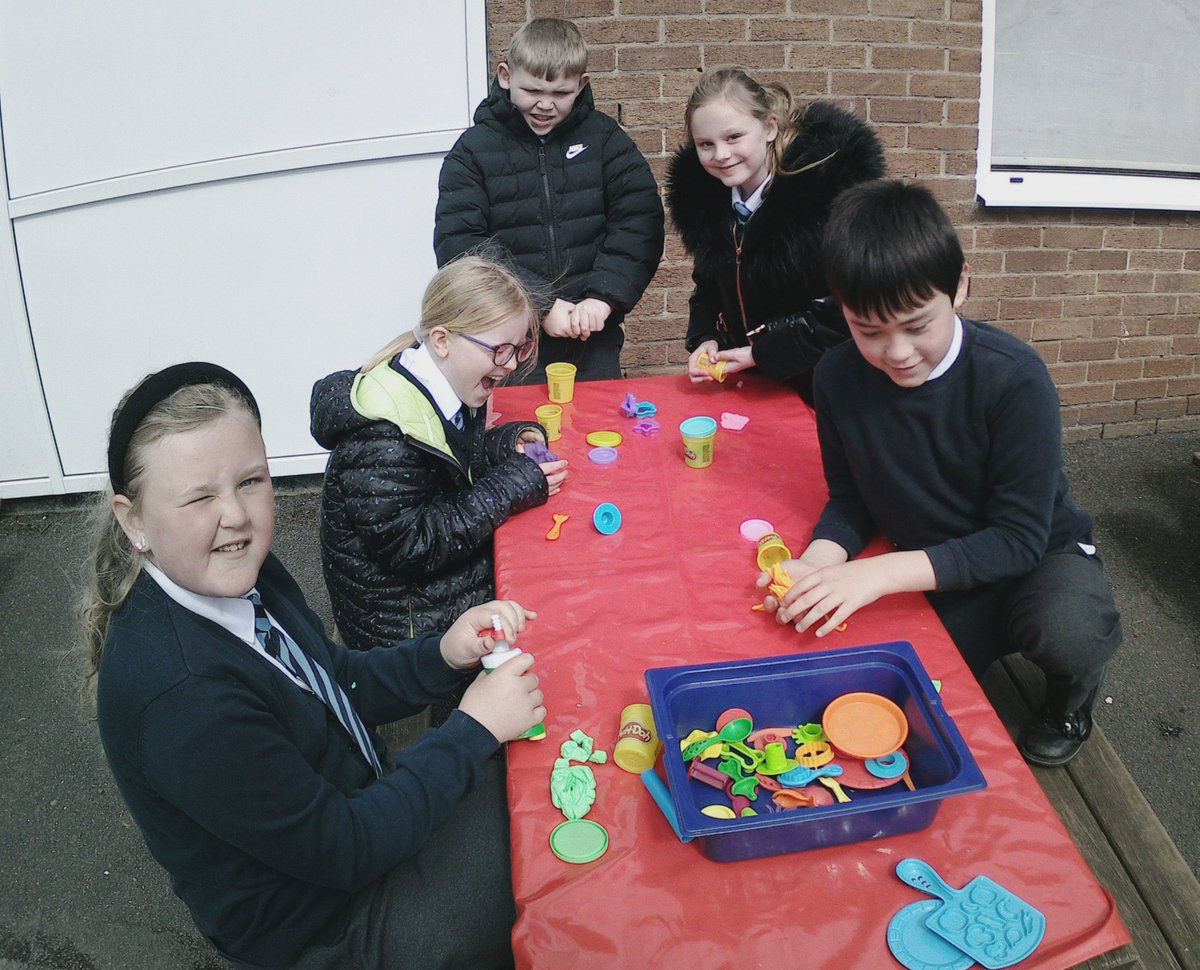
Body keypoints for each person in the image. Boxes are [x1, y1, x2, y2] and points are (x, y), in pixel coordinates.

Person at [81, 361, 545, 969]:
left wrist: (440, 654)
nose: (237, 517)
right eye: (199, 496)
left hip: (354, 813)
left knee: (527, 784)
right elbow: (346, 847)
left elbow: (333, 680)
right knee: (536, 860)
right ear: (133, 519)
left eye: (251, 481)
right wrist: (471, 729)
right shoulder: (182, 695)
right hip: (329, 926)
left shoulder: (238, 573)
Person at [760, 179, 1122, 767]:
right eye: (868, 331)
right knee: (893, 701)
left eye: (916, 324)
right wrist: (822, 560)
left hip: (1036, 557)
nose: (897, 352)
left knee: (1069, 630)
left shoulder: (1014, 378)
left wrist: (875, 575)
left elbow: (1018, 538)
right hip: (938, 566)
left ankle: (1069, 698)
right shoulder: (836, 378)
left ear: (960, 285)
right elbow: (851, 497)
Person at [311, 255, 568, 654]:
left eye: (520, 348)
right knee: (545, 603)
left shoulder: (447, 383)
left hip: (416, 591)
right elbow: (415, 546)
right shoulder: (383, 439)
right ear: (442, 340)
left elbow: (451, 458)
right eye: (500, 350)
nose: (512, 364)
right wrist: (510, 486)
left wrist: (508, 443)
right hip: (402, 624)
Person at [434, 17, 665, 383]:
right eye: (532, 91)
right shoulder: (473, 151)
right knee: (518, 434)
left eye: (560, 94)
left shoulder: (605, 140)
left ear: (581, 85)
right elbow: (462, 246)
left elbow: (638, 222)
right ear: (506, 77)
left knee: (598, 432)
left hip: (591, 336)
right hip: (506, 343)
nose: (545, 105)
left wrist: (603, 298)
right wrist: (538, 306)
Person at [665, 66, 886, 402]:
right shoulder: (710, 205)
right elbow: (710, 285)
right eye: (705, 144)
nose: (721, 154)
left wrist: (764, 352)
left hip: (833, 387)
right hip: (758, 386)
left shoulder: (826, 203)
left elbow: (847, 308)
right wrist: (707, 336)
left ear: (769, 127)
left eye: (734, 137)